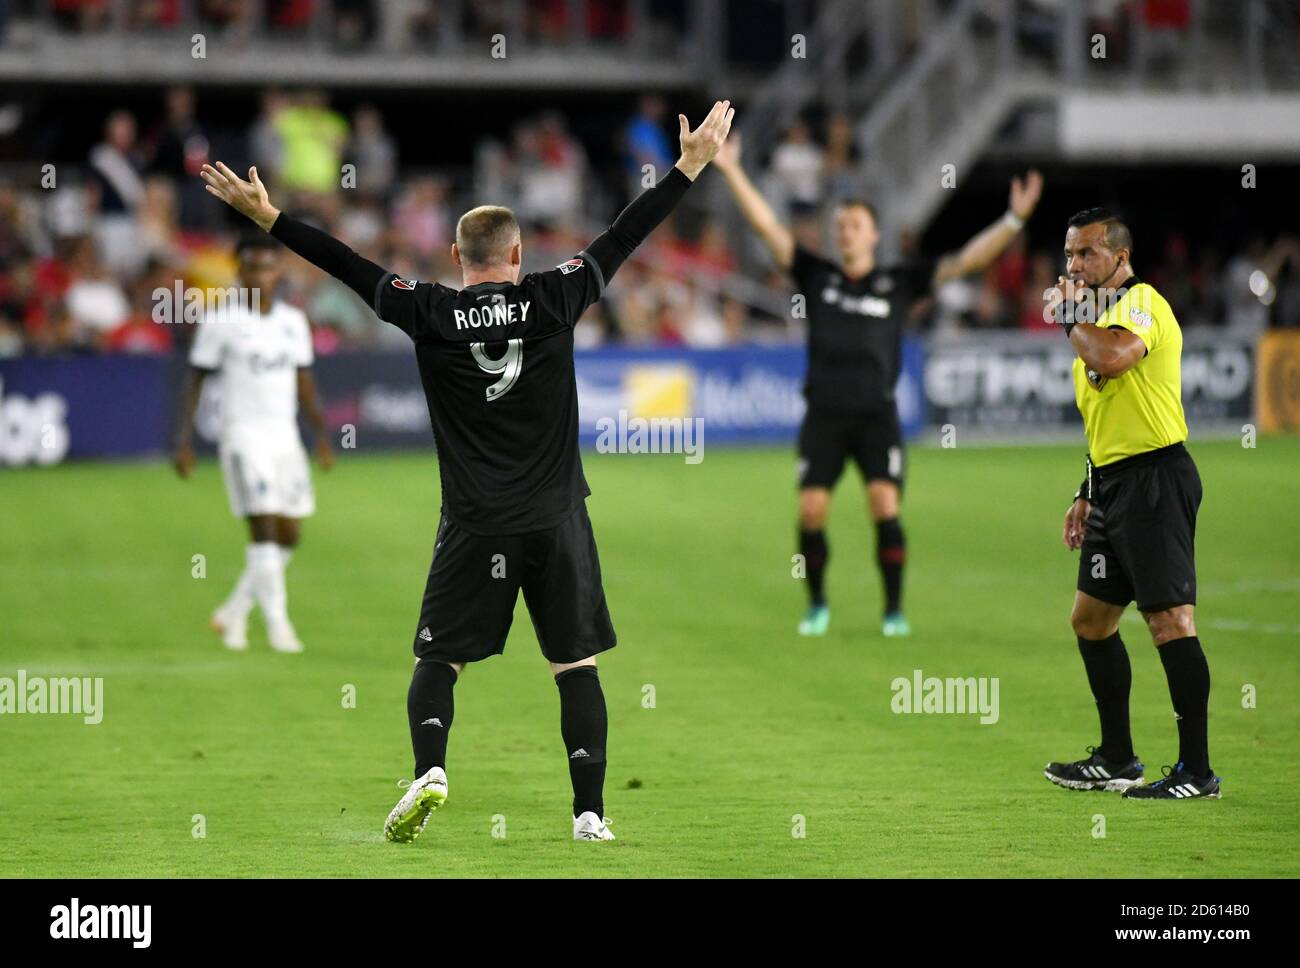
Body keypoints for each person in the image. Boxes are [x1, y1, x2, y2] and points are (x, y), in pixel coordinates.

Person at [198, 101, 735, 841]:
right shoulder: (556, 295)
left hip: (475, 522)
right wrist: (690, 166)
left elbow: (349, 266)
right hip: (555, 518)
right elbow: (624, 235)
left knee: (440, 659)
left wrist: (271, 219)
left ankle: (430, 770)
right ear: (516, 257)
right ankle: (589, 815)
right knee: (575, 666)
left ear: (458, 259)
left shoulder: (431, 312)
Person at [712, 131, 1042, 638]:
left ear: (873, 235)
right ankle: (817, 603)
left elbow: (968, 260)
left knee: (884, 505)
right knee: (811, 508)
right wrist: (732, 168)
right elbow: (767, 227)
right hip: (824, 413)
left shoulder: (898, 282)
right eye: (840, 225)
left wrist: (1014, 219)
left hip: (876, 415)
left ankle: (893, 610)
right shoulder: (817, 276)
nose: (845, 232)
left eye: (855, 225)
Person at [1045, 207, 1219, 800]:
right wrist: (1086, 489)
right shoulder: (1095, 323)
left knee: (1170, 621)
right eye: (1068, 255)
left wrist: (1069, 315)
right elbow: (1105, 421)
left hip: (1156, 479)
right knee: (1091, 621)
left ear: (1119, 257)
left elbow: (1114, 359)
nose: (1073, 266)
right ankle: (1117, 757)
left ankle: (1197, 772)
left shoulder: (1142, 303)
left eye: (1085, 254)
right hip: (1113, 485)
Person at [174, 235, 334, 653]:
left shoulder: (293, 323)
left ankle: (234, 611)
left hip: (285, 437)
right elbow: (195, 379)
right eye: (251, 267)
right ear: (239, 272)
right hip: (243, 436)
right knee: (262, 527)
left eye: (267, 267)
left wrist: (320, 435)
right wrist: (183, 441)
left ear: (278, 272)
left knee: (289, 532)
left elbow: (303, 380)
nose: (260, 275)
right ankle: (279, 626)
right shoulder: (220, 323)